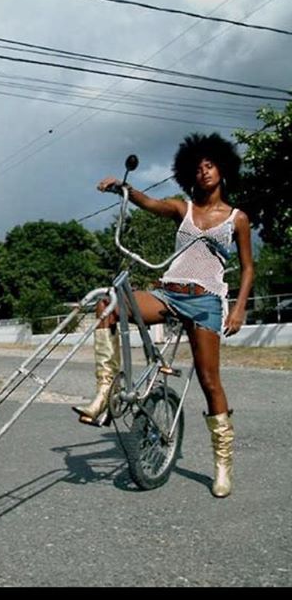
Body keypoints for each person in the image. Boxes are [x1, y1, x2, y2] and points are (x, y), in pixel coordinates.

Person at [73, 132, 254, 498]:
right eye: (198, 167)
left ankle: (222, 465)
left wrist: (237, 309)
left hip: (205, 302)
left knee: (209, 381)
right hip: (169, 293)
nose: (204, 172)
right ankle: (105, 393)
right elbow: (150, 202)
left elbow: (248, 269)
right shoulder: (182, 208)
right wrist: (122, 188)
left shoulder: (237, 219)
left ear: (222, 169)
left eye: (210, 165)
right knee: (108, 305)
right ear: (190, 172)